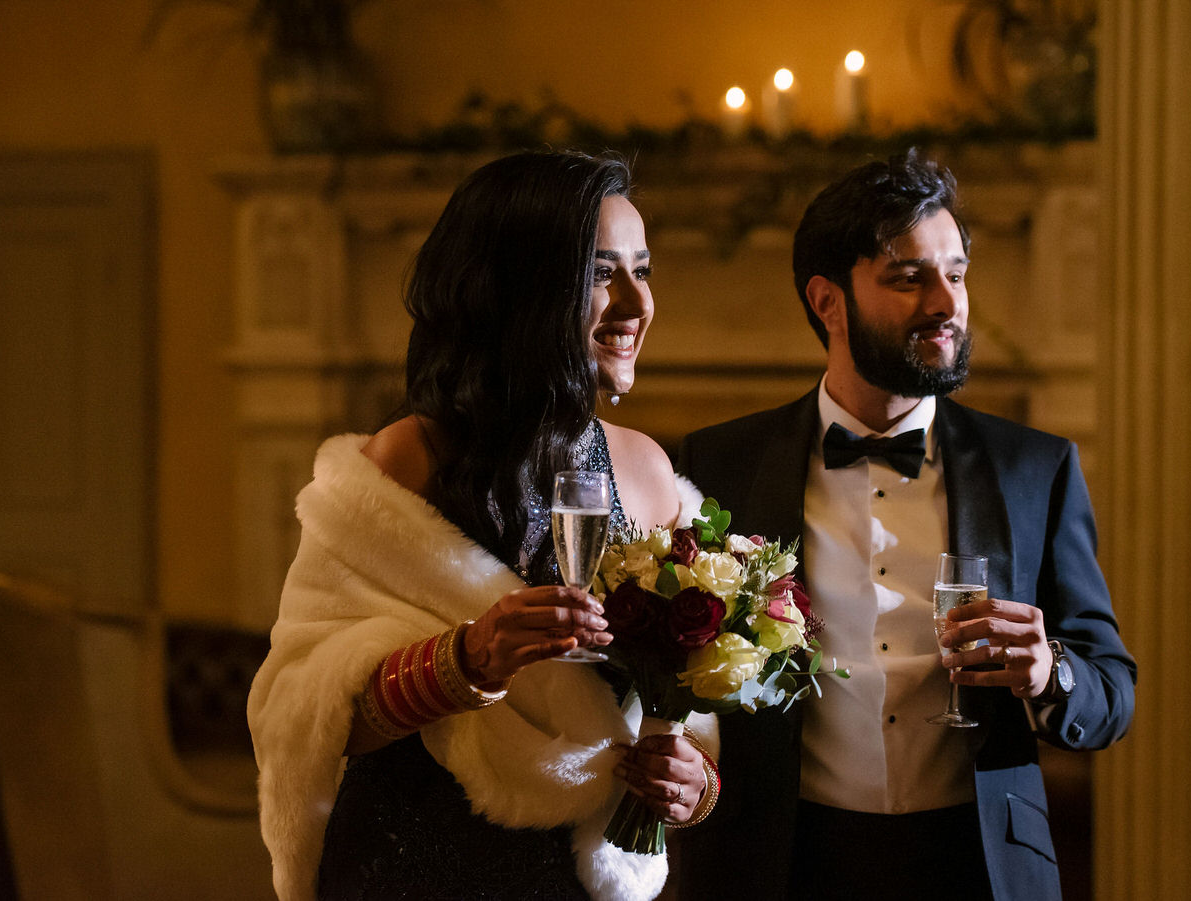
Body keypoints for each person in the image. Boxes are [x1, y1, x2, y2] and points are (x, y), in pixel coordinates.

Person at [247, 150, 717, 901]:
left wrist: (694, 781)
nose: (636, 303)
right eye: (601, 274)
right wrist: (468, 660)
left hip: (582, 876)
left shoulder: (648, 470)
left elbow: (682, 701)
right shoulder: (408, 459)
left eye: (644, 270)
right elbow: (302, 709)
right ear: (523, 290)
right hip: (420, 864)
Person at [674, 149, 1136, 900]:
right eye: (909, 277)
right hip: (781, 862)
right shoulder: (718, 463)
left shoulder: (1034, 467)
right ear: (828, 302)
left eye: (955, 274)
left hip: (979, 865)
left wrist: (1051, 670)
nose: (947, 303)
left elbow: (1113, 691)